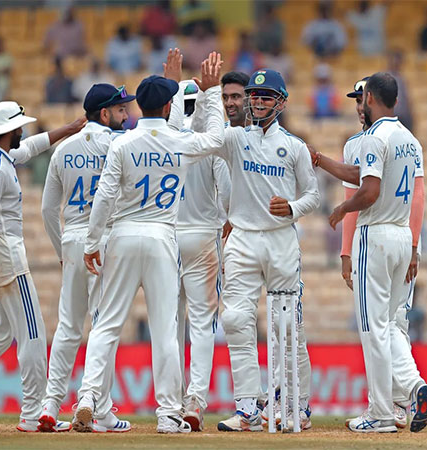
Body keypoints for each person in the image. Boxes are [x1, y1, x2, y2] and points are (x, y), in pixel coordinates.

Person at [74, 50, 225, 434]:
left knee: (107, 324)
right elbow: (215, 137)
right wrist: (208, 93)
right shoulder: (179, 141)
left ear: (140, 104)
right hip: (161, 238)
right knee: (165, 329)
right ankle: (168, 413)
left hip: (123, 235)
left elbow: (105, 197)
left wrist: (93, 242)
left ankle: (88, 397)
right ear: (170, 104)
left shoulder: (122, 143)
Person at [0, 101, 85, 432]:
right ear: (9, 130)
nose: (23, 130)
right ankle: (33, 411)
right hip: (6, 257)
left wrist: (67, 129)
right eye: (19, 126)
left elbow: (30, 148)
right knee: (33, 335)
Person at [202, 69, 318, 432]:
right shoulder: (236, 138)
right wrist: (209, 93)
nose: (257, 101)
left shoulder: (295, 146)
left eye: (266, 96)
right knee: (236, 320)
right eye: (254, 95)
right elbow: (207, 139)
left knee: (288, 326)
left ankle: (295, 405)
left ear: (281, 102)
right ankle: (249, 407)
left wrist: (293, 208)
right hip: (242, 239)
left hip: (281, 240)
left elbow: (312, 194)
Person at [310, 75, 427, 431]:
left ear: (371, 97)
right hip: (400, 235)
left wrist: (343, 210)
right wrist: (321, 160)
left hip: (374, 235)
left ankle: (380, 412)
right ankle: (412, 388)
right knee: (388, 325)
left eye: (362, 98)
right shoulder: (409, 139)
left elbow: (369, 190)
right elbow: (361, 174)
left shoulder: (374, 139)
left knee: (372, 328)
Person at [39, 83, 136, 433]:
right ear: (105, 113)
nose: (127, 116)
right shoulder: (121, 146)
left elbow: (48, 208)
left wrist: (60, 249)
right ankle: (97, 406)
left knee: (68, 325)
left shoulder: (63, 149)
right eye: (121, 110)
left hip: (72, 239)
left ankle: (50, 405)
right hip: (105, 242)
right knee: (104, 327)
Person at [172, 79, 231, 431]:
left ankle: (172, 401)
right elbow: (225, 193)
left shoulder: (166, 135)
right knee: (203, 324)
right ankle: (195, 399)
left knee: (170, 324)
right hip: (203, 236)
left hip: (168, 236)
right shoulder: (212, 140)